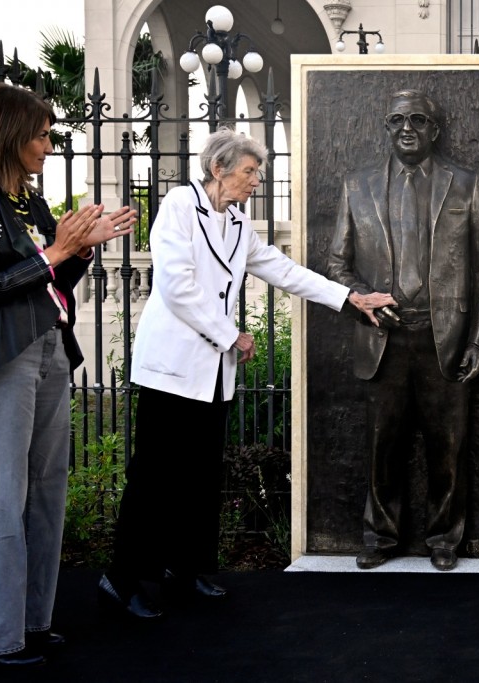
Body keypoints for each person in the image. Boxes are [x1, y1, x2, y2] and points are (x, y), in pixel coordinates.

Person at [99, 127, 394, 617]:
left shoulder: (237, 223)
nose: (256, 180)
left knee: (199, 476)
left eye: (257, 172)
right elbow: (175, 285)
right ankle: (122, 576)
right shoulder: (178, 206)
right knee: (155, 477)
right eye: (250, 171)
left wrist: (349, 298)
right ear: (219, 169)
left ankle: (184, 570)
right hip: (171, 369)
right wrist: (229, 333)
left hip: (211, 373)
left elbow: (283, 269)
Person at [0, 83, 137, 666]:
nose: (49, 145)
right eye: (42, 135)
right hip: (0, 359)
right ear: (8, 133)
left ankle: (32, 621)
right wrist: (55, 251)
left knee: (46, 491)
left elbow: (50, 292)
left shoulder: (32, 203)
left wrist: (78, 251)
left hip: (48, 347)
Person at [327, 89, 479, 571]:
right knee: (383, 446)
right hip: (383, 338)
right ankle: (380, 536)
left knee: (448, 447)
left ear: (434, 130)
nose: (407, 127)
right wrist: (364, 301)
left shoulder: (464, 184)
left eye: (418, 119)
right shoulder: (355, 185)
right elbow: (337, 262)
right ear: (386, 127)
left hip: (444, 337)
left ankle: (444, 538)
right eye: (398, 119)